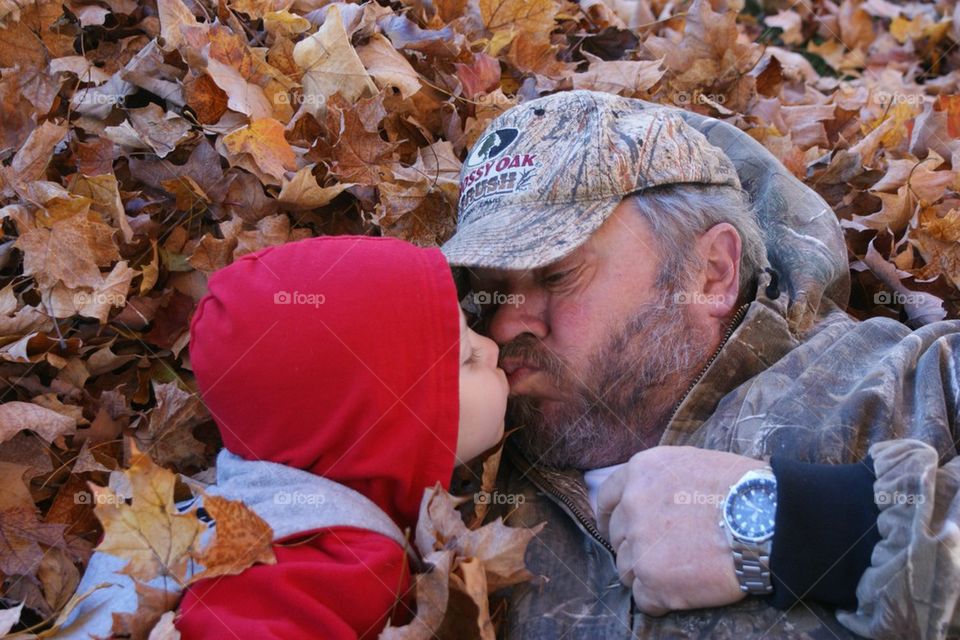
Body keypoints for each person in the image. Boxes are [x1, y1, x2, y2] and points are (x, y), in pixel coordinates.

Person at [441, 90, 960, 639]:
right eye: (488, 292)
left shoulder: (914, 381)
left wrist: (786, 524)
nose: (503, 326)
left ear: (711, 271)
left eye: (556, 275)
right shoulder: (460, 481)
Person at [62, 236, 509, 639]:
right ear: (388, 429)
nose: (493, 347)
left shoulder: (273, 517)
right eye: (467, 356)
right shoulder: (323, 565)